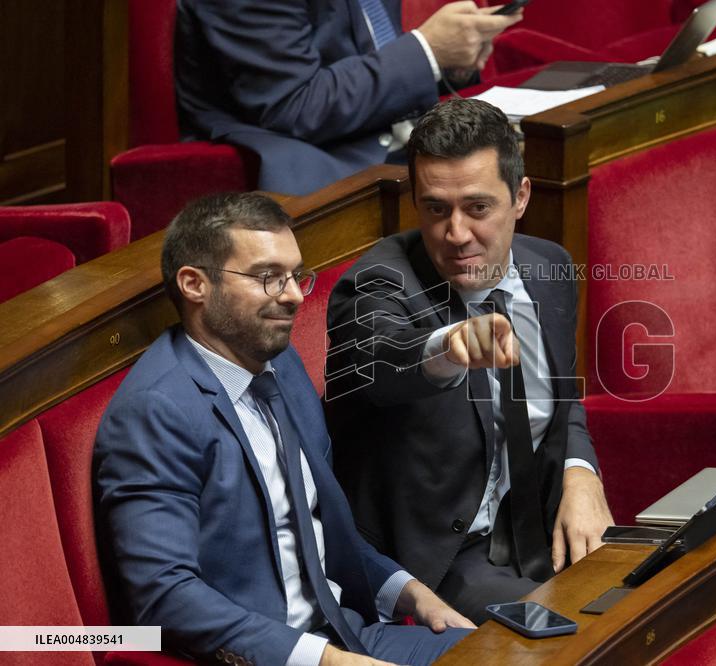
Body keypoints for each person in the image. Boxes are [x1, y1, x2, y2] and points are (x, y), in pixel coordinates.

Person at [93, 192, 474, 666]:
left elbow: (318, 526)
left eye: (296, 275)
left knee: (512, 654)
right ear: (194, 284)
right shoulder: (157, 411)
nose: (294, 295)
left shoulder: (281, 364)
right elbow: (165, 596)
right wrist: (325, 661)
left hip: (346, 632)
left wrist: (410, 594)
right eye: (269, 278)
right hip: (261, 655)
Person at [325, 98, 614, 624]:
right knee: (570, 638)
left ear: (520, 197)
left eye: (477, 208)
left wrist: (580, 474)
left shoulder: (548, 266)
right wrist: (449, 347)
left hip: (544, 528)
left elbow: (566, 403)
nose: (456, 234)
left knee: (649, 604)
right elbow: (380, 356)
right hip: (442, 558)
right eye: (436, 208)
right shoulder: (378, 282)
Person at [174, 0, 522, 195]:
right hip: (314, 159)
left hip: (386, 133)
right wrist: (427, 51)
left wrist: (446, 62)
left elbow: (362, 57)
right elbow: (296, 106)